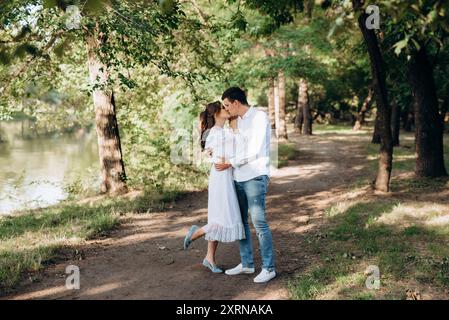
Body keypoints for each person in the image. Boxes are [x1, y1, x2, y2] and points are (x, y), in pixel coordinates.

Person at [217, 87, 276, 283]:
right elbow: (233, 147)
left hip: (255, 176)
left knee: (259, 222)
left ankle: (269, 268)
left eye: (227, 105)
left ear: (236, 102)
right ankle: (247, 264)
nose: (226, 109)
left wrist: (230, 163)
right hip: (237, 177)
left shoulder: (259, 117)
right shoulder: (235, 122)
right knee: (240, 222)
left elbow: (255, 150)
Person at [183, 101, 245, 273]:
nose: (227, 109)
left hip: (224, 175)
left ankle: (209, 258)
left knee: (219, 215)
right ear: (216, 114)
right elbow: (234, 153)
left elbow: (215, 153)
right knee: (223, 218)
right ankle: (195, 233)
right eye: (224, 108)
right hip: (221, 177)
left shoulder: (221, 132)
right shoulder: (217, 134)